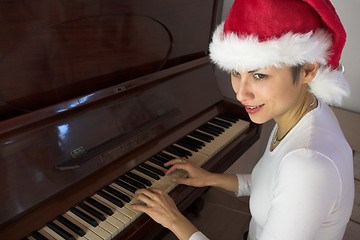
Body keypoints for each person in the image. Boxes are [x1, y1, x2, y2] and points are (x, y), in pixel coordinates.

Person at [131, 0, 355, 239]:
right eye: (236, 72)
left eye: (259, 75)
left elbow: (292, 179)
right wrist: (210, 178)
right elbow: (269, 185)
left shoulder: (307, 165)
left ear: (308, 70)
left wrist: (174, 221)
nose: (240, 93)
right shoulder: (306, 113)